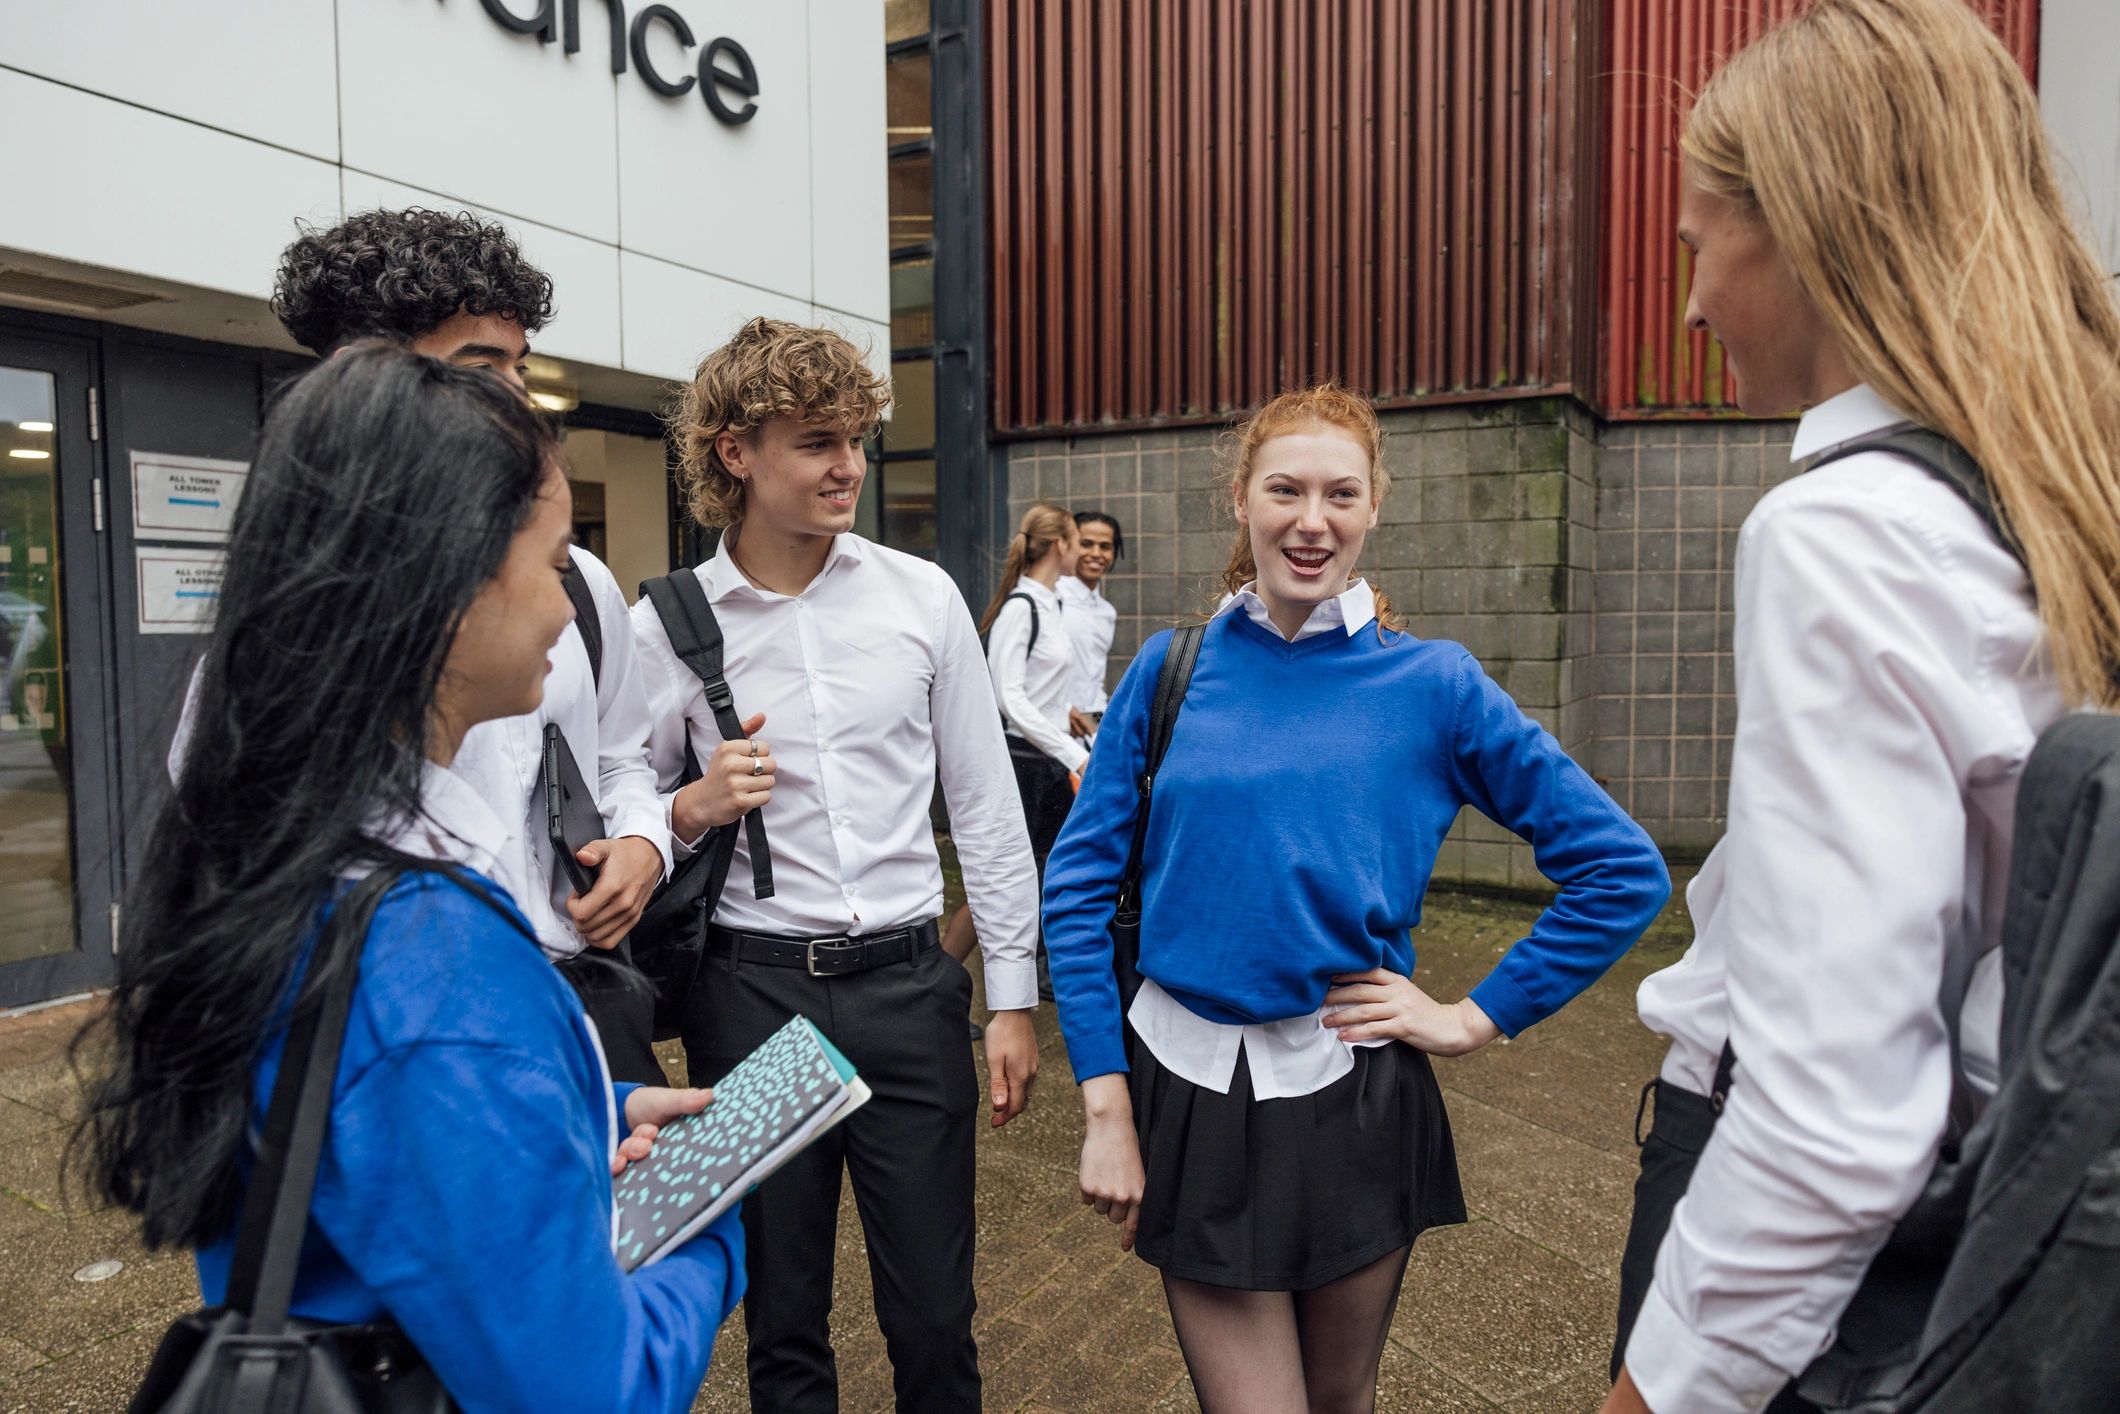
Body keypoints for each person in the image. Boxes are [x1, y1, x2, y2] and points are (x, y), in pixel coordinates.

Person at [1601, 4, 2120, 1412]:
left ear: (1805, 232)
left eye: (1698, 243)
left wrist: (1662, 1383)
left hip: (1825, 1270)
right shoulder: (2060, 497)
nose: (1690, 302)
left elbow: (1831, 1114)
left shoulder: (1844, 532)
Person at [77, 346, 744, 1412]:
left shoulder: (281, 852)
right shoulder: (433, 967)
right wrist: (709, 1214)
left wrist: (577, 1108)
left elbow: (373, 1124)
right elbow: (595, 1387)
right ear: (444, 587)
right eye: (550, 561)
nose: (566, 610)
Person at [1046, 385, 1671, 1414]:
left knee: (1342, 1403)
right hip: (1184, 1092)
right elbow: (1072, 890)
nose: (1310, 519)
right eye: (1283, 489)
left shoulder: (1434, 684)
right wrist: (1104, 1104)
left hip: (1351, 1097)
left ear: (1373, 504)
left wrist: (1472, 1015)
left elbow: (1620, 869)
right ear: (1241, 500)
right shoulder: (1167, 670)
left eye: (1340, 493)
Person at [631, 316, 1043, 1413]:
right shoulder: (663, 625)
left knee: (935, 1319)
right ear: (735, 452)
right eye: (817, 441)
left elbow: (986, 806)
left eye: (856, 438)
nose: (849, 465)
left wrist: (1009, 995)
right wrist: (684, 805)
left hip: (911, 988)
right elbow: (618, 787)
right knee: (782, 1318)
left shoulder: (921, 597)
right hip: (749, 996)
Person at [270, 207, 673, 1083]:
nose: (519, 400)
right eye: (481, 370)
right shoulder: (291, 631)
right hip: (412, 1043)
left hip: (582, 997)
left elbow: (624, 758)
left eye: (520, 369)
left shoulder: (580, 586)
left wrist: (645, 841)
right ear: (361, 379)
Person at [976, 502, 1089, 999]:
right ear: (1060, 545)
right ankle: (950, 972)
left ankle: (1039, 967)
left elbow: (1043, 692)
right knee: (1012, 872)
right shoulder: (1020, 608)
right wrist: (1072, 751)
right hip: (1023, 761)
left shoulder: (1051, 604)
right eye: (1078, 541)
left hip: (1049, 757)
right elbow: (1008, 697)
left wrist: (1074, 724)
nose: (1082, 551)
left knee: (1047, 869)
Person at [1060, 509, 1123, 740]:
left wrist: (1101, 731)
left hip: (1088, 734)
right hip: (1051, 728)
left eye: (1105, 546)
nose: (1096, 553)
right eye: (1086, 544)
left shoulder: (1107, 612)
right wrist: (1063, 710)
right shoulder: (1052, 599)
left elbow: (1094, 678)